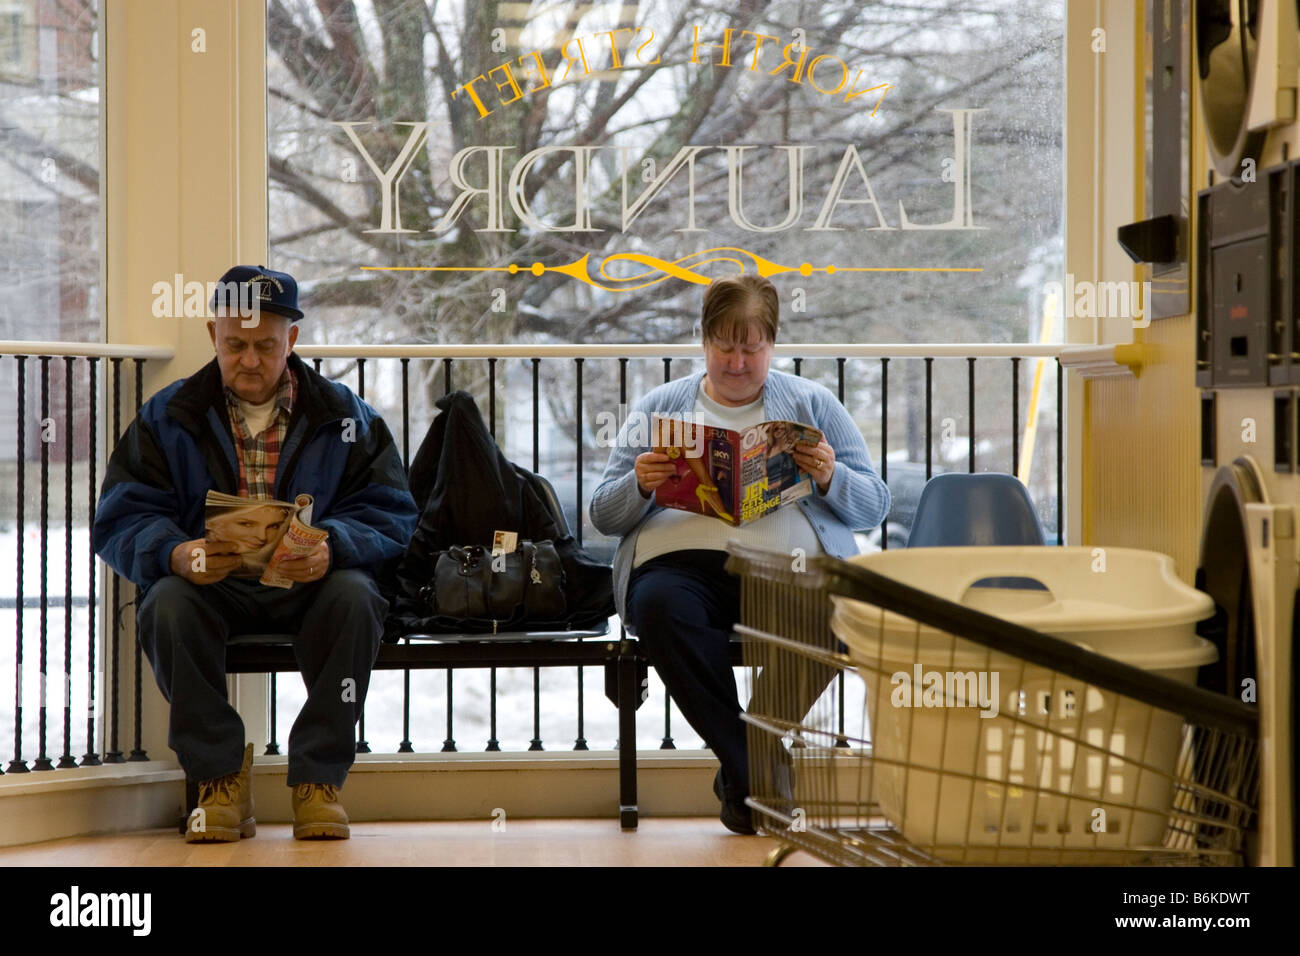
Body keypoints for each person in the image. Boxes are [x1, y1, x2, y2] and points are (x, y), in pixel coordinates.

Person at [93, 265, 417, 843]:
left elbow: (391, 511)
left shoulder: (346, 416)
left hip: (310, 584)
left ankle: (319, 780)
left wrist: (333, 547)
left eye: (265, 346)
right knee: (166, 603)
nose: (249, 360)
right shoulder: (168, 416)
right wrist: (175, 553)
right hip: (211, 587)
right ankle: (217, 776)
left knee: (356, 595)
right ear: (212, 334)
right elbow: (122, 515)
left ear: (291, 341)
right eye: (235, 344)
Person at [590, 274, 890, 834]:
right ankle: (757, 770)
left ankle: (744, 775)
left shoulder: (811, 402)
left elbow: (874, 506)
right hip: (680, 570)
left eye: (751, 348)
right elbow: (604, 515)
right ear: (703, 342)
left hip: (789, 571)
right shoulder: (660, 407)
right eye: (724, 346)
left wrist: (831, 477)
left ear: (772, 345)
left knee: (836, 610)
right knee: (657, 606)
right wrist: (640, 482)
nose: (736, 362)